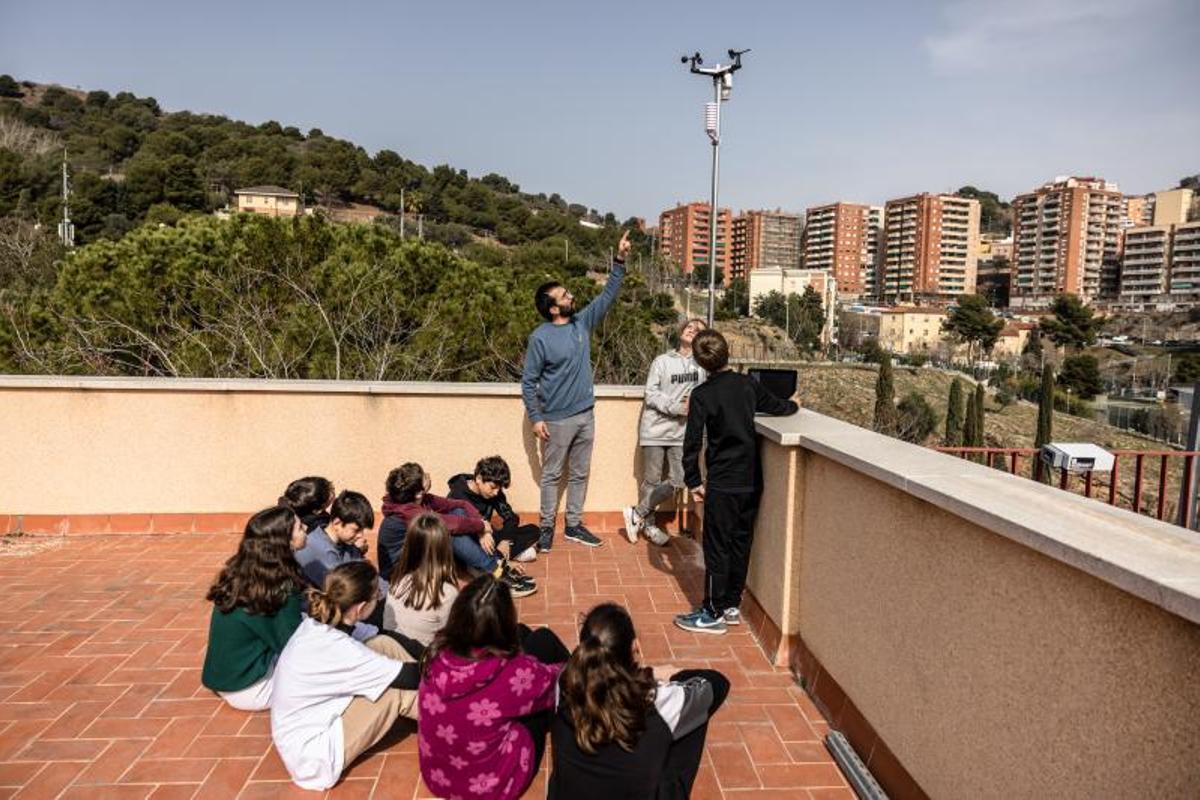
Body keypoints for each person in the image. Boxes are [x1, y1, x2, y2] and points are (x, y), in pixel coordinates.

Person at [675, 329, 799, 635]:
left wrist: (693, 480)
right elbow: (778, 406)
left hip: (723, 483)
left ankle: (711, 613)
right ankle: (731, 604)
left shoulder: (702, 396)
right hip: (752, 480)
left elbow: (691, 444)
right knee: (741, 543)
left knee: (717, 547)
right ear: (727, 352)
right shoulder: (747, 385)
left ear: (701, 363)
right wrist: (794, 403)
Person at [549, 603, 730, 800]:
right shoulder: (656, 700)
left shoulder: (564, 683)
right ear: (636, 647)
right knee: (694, 711)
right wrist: (664, 674)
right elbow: (719, 684)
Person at [522, 230, 632, 551]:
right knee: (552, 475)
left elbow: (607, 295)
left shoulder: (581, 324)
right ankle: (545, 528)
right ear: (553, 308)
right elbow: (529, 382)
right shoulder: (540, 338)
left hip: (586, 414)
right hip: (556, 419)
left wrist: (621, 259)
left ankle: (573, 525)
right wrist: (536, 417)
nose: (571, 297)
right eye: (565, 296)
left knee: (580, 473)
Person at [270, 561, 422, 791]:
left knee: (382, 643)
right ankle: (454, 721)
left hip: (306, 724)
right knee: (396, 690)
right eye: (377, 594)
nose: (380, 598)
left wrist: (430, 653)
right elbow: (408, 678)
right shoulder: (340, 648)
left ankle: (441, 704)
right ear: (360, 608)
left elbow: (385, 637)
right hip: (314, 755)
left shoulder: (324, 622)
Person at [418, 574, 569, 800]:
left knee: (524, 633)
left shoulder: (435, 654)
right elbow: (556, 679)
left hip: (440, 778)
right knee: (545, 641)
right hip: (491, 787)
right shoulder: (511, 672)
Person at [201, 505, 308, 711]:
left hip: (227, 680)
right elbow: (295, 646)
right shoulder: (279, 588)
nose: (306, 527)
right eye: (299, 527)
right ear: (284, 541)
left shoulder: (242, 573)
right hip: (251, 689)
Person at [381, 463, 535, 597]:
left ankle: (493, 567)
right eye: (424, 477)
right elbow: (448, 525)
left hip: (425, 555)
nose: (428, 477)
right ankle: (495, 572)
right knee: (449, 530)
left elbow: (460, 505)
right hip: (404, 572)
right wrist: (481, 526)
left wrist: (482, 528)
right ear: (418, 492)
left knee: (458, 514)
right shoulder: (407, 511)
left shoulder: (421, 499)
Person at [623, 318, 707, 546]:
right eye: (689, 326)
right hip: (655, 429)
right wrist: (678, 408)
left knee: (679, 480)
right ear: (681, 331)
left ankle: (636, 513)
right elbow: (651, 393)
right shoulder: (662, 361)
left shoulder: (702, 366)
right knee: (651, 480)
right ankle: (649, 526)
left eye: (698, 329)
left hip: (682, 433)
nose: (692, 330)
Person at [383, 513, 461, 646]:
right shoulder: (447, 593)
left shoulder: (397, 581)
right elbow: (455, 638)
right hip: (424, 660)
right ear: (444, 547)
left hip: (393, 653)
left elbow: (388, 626)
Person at [448, 455, 541, 564]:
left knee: (533, 530)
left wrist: (505, 540)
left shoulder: (495, 493)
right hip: (469, 539)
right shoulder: (457, 494)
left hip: (490, 537)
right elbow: (457, 527)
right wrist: (482, 531)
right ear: (478, 479)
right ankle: (505, 556)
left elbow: (511, 517)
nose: (496, 492)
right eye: (492, 487)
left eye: (499, 488)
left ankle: (502, 554)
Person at [294, 490, 377, 590]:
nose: (360, 535)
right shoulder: (319, 550)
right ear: (337, 523)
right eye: (356, 530)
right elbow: (343, 592)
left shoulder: (345, 543)